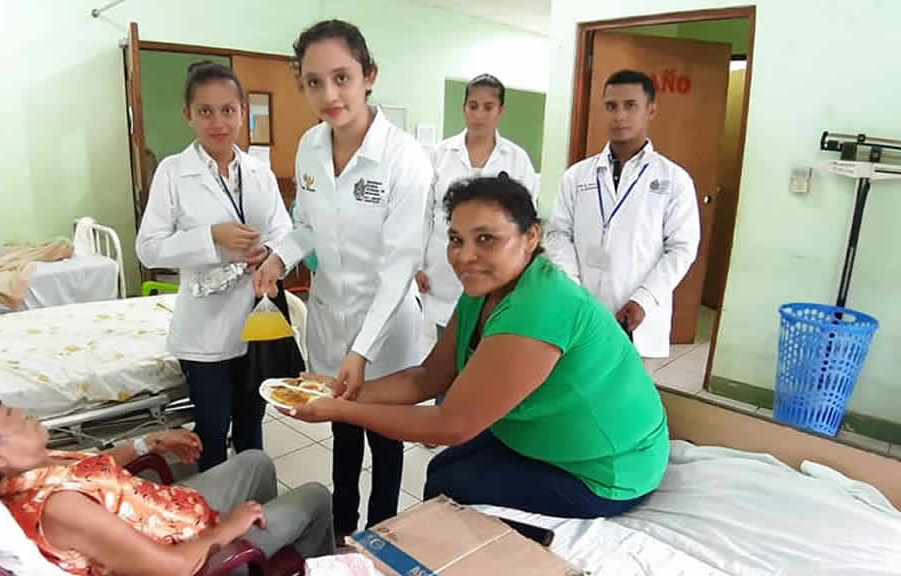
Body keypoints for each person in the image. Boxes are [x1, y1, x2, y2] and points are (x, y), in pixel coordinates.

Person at [283, 175, 669, 522]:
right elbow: (429, 377)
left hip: (609, 468)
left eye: (486, 239)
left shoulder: (540, 307)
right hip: (548, 435)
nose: (464, 257)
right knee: (444, 472)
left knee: (451, 483)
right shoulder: (483, 291)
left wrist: (343, 410)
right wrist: (335, 389)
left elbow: (452, 425)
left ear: (531, 237)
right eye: (456, 240)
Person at [254, 20, 433, 540]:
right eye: (313, 82)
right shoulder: (310, 146)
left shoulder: (404, 159)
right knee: (342, 430)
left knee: (385, 436)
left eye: (342, 78)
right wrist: (278, 259)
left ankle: (380, 535)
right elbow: (306, 225)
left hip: (387, 326)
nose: (329, 94)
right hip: (333, 318)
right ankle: (342, 529)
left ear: (368, 75)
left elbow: (401, 265)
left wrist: (362, 349)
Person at [0, 391, 334, 576]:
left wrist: (148, 441)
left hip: (169, 516)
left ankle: (265, 560)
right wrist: (229, 529)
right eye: (7, 414)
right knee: (315, 497)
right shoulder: (60, 508)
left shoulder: (31, 468)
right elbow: (170, 569)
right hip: (196, 557)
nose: (20, 411)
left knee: (256, 462)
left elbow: (91, 468)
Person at [136, 62, 292, 471]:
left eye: (228, 110)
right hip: (203, 328)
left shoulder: (259, 171)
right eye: (205, 111)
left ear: (243, 111)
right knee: (211, 427)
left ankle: (256, 499)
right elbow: (148, 248)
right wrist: (212, 237)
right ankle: (217, 512)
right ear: (189, 115)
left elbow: (283, 227)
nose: (218, 122)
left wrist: (272, 257)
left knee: (252, 422)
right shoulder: (173, 172)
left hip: (254, 318)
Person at [544, 69, 700, 359]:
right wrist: (574, 289)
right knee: (576, 393)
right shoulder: (577, 175)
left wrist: (643, 299)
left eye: (631, 106)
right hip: (580, 307)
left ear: (651, 110)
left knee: (628, 399)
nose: (619, 116)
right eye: (611, 106)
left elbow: (681, 249)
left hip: (636, 318)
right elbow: (557, 233)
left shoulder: (673, 180)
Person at [418, 73, 537, 336]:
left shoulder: (517, 159)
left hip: (498, 275)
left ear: (501, 111)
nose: (479, 115)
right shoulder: (440, 155)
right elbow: (422, 215)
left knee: (490, 341)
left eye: (488, 107)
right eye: (473, 106)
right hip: (442, 273)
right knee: (445, 349)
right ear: (464, 109)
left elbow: (527, 221)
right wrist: (417, 264)